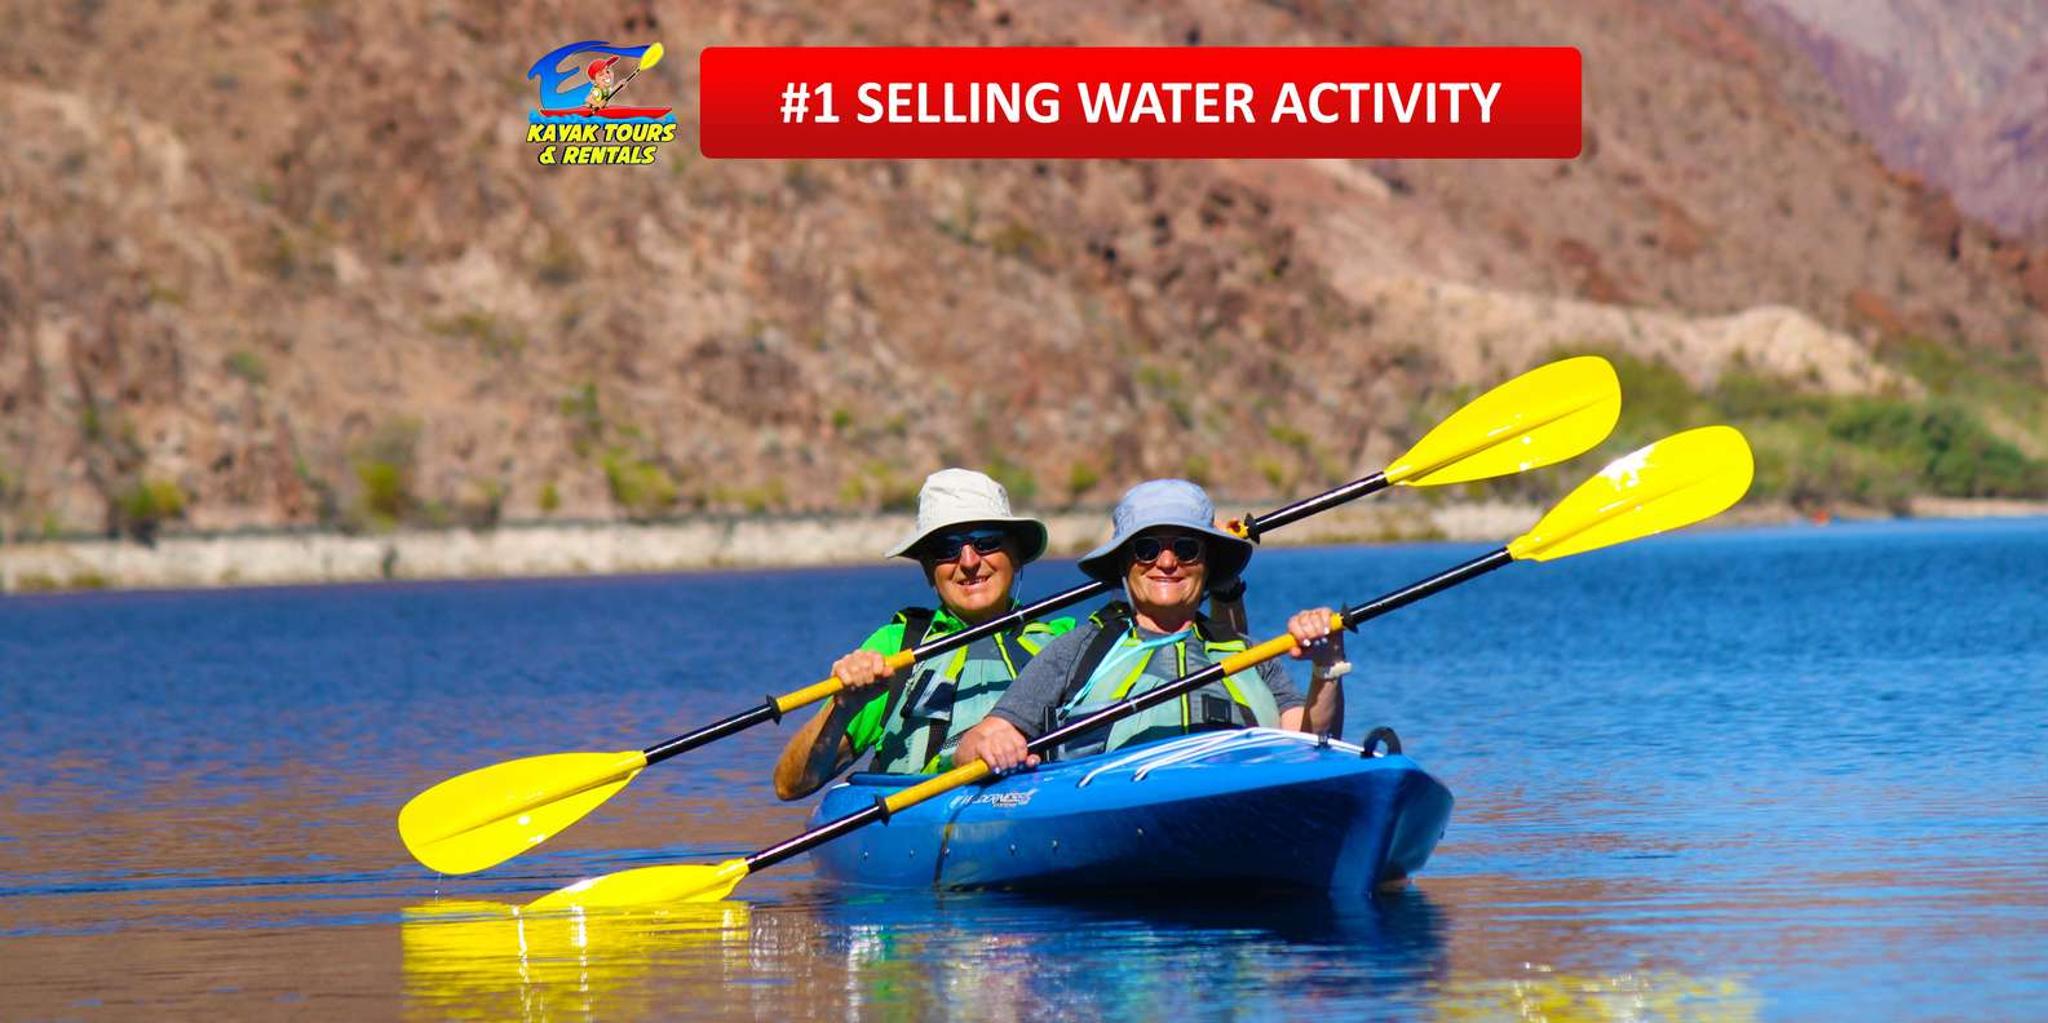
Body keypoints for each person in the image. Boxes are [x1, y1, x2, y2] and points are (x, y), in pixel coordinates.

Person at [954, 479, 1347, 771]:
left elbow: (1309, 746)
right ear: (1124, 563)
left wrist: (1326, 668)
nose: (1167, 562)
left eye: (1187, 549)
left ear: (1207, 564)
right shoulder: (1076, 651)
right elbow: (973, 744)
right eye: (1147, 549)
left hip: (1239, 805)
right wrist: (993, 744)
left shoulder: (1248, 653)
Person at [773, 469, 1074, 799]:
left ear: (1015, 557)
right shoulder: (895, 647)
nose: (970, 561)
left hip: (1038, 805)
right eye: (948, 549)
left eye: (986, 542)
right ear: (929, 570)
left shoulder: (1065, 640)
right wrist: (842, 706)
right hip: (920, 820)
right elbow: (790, 786)